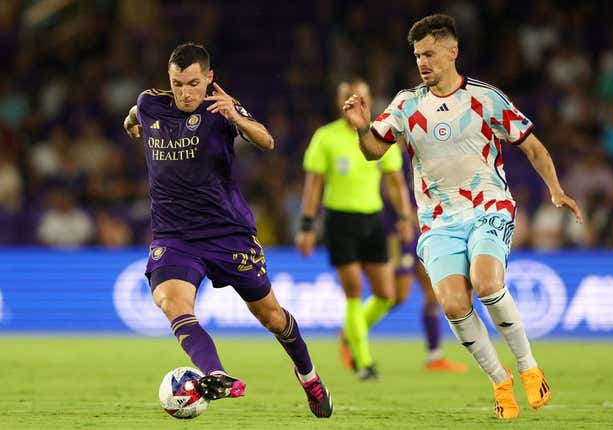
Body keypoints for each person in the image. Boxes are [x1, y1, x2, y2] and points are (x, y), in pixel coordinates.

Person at [343, 15, 582, 419]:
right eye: (418, 55)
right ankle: (500, 383)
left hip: (488, 206)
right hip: (437, 221)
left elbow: (533, 147)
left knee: (486, 283)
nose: (422, 62)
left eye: (430, 54)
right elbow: (372, 150)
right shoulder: (406, 104)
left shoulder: (486, 98)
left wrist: (556, 190)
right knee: (454, 304)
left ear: (452, 52)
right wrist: (361, 127)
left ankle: (528, 367)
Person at [123, 42, 332, 418]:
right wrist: (131, 120)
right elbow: (138, 110)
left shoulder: (220, 109)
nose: (185, 93)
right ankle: (215, 373)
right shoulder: (151, 102)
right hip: (174, 237)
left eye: (193, 83)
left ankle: (309, 377)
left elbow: (267, 141)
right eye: (177, 84)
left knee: (271, 316)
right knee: (172, 303)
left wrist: (237, 116)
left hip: (228, 234)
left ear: (209, 78)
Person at [295, 79, 414, 380]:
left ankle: (350, 331)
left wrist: (403, 217)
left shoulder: (380, 135)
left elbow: (395, 181)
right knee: (354, 291)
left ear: (369, 99)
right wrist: (307, 225)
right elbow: (313, 184)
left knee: (386, 294)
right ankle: (364, 362)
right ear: (339, 101)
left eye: (359, 96)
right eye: (347, 96)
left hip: (373, 221)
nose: (352, 101)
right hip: (339, 222)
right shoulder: (326, 137)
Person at [381, 149, 466, 373]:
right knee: (397, 296)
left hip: (420, 229)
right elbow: (388, 188)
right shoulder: (393, 155)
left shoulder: (424, 152)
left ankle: (434, 356)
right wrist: (405, 217)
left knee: (432, 291)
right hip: (399, 231)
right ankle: (352, 331)